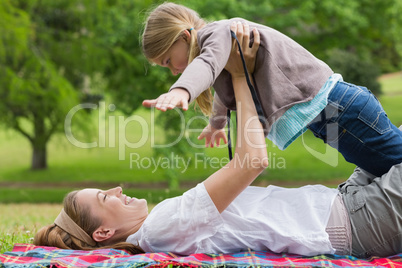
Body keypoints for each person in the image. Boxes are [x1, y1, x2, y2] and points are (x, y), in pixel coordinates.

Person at [34, 24, 402, 258]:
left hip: (347, 200)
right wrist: (240, 76)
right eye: (104, 197)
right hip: (358, 222)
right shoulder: (162, 225)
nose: (115, 189)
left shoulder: (164, 224)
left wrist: (220, 116)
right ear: (104, 232)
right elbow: (254, 160)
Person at [140, 2, 402, 177]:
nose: (173, 70)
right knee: (389, 175)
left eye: (167, 61)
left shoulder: (217, 33)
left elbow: (206, 65)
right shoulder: (220, 45)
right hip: (335, 115)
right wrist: (216, 124)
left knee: (395, 170)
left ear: (185, 37)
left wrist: (181, 91)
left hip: (340, 111)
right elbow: (225, 90)